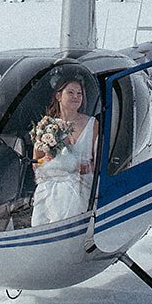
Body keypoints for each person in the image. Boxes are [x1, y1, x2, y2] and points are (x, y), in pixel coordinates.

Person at [30, 75, 98, 226]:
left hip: (80, 181)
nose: (76, 97)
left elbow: (101, 161)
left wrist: (85, 168)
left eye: (79, 93)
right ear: (58, 96)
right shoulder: (46, 125)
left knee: (66, 197)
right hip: (50, 183)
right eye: (71, 92)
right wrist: (47, 158)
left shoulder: (92, 123)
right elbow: (36, 163)